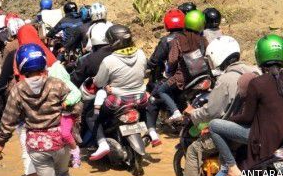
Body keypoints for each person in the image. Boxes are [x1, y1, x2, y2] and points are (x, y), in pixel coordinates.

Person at [208, 34, 283, 176]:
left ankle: (232, 168)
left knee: (214, 125)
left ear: (259, 56)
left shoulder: (257, 83)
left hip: (265, 138)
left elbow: (247, 117)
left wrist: (230, 119)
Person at [0, 44, 81, 176]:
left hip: (37, 145)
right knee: (62, 175)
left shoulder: (17, 90)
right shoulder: (57, 84)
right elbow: (76, 106)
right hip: (61, 141)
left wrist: (1, 143)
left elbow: (8, 120)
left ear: (21, 67)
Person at [180, 36, 260, 176]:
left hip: (233, 133)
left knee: (193, 151)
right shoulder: (255, 71)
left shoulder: (226, 78)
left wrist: (193, 113)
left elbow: (212, 111)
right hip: (255, 129)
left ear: (216, 56)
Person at [89, 24, 148, 161]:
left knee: (92, 116)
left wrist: (107, 86)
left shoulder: (109, 60)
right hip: (140, 98)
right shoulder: (141, 53)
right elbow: (143, 73)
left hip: (118, 101)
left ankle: (102, 143)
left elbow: (98, 82)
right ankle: (150, 132)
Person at [145, 8, 185, 145]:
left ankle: (152, 133)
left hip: (170, 78)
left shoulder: (165, 40)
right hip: (188, 77)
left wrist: (147, 65)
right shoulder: (189, 36)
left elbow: (155, 60)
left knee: (153, 100)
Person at [160, 10, 209, 124]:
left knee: (162, 90)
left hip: (183, 77)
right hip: (202, 75)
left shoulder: (178, 39)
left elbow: (172, 60)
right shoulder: (203, 40)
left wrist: (169, 73)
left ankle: (175, 112)